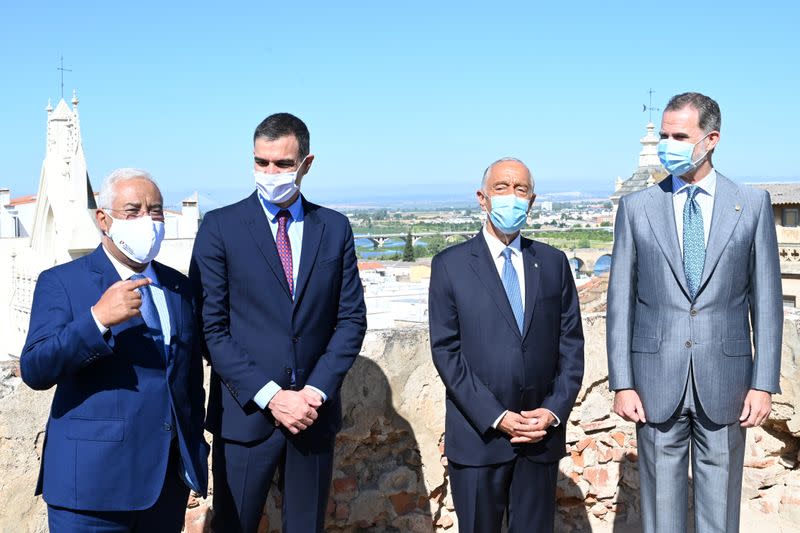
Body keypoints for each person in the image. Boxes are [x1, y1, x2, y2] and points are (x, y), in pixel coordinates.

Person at [607, 92, 782, 533]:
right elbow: (619, 302)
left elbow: (767, 301)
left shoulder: (752, 204)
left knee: (720, 514)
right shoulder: (636, 207)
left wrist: (763, 384)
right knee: (660, 514)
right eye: (664, 135)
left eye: (679, 135)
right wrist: (623, 382)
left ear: (711, 139)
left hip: (727, 381)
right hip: (652, 384)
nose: (669, 144)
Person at [190, 112, 367, 533]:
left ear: (306, 164)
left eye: (283, 164)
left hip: (312, 416)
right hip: (246, 418)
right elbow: (211, 329)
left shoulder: (334, 228)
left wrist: (313, 393)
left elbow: (350, 320)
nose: (270, 172)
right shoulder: (220, 228)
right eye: (261, 162)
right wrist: (272, 397)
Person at [20, 168, 209, 532]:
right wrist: (96, 321)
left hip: (164, 487)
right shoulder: (62, 282)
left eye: (155, 210)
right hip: (90, 489)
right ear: (104, 220)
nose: (148, 220)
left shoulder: (178, 287)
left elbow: (187, 379)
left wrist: (194, 450)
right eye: (133, 210)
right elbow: (36, 368)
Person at [428, 157, 584, 533]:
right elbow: (446, 353)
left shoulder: (553, 263)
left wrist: (552, 411)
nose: (511, 197)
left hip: (538, 437)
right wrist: (496, 415)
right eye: (501, 188)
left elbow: (572, 348)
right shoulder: (450, 265)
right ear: (482, 198)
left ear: (531, 201)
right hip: (479, 437)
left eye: (520, 190)